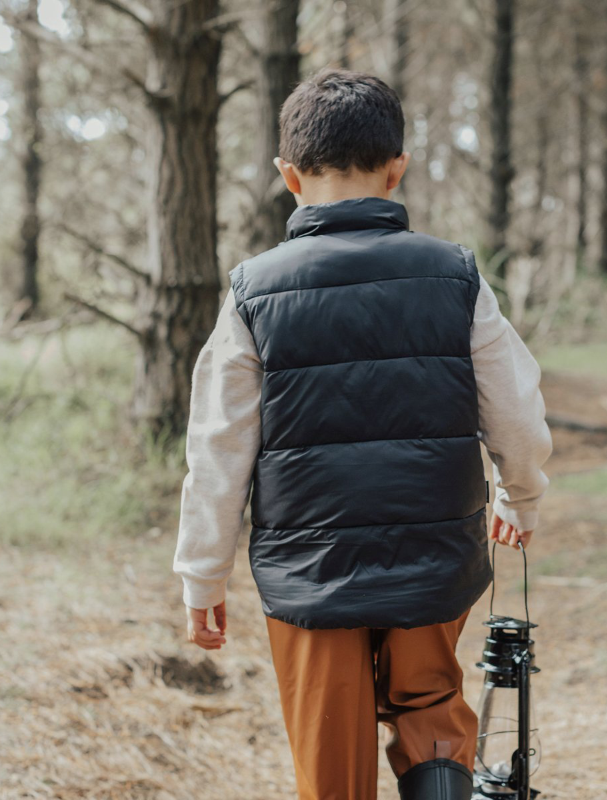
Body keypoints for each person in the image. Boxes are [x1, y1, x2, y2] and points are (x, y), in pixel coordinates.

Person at [172, 67, 552, 800]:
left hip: (309, 571)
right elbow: (515, 408)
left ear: (289, 175)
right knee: (433, 717)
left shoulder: (254, 291)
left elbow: (218, 446)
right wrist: (521, 494)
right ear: (397, 168)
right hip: (433, 559)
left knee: (331, 752)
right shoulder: (455, 276)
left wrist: (203, 573)